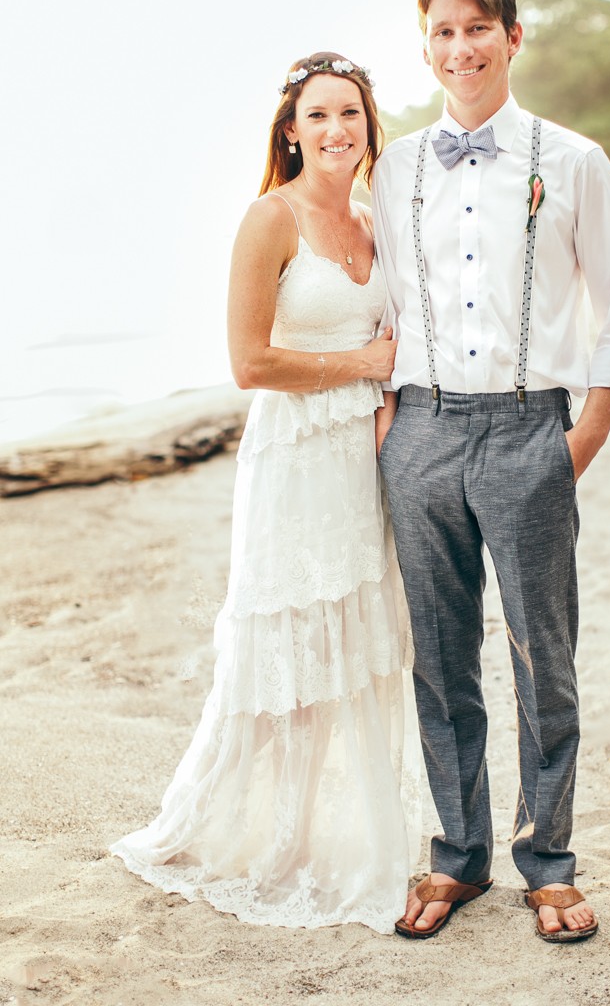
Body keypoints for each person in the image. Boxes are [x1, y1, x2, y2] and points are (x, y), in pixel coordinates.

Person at [372, 0, 610, 942]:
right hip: (420, 432)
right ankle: (457, 859)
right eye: (440, 34)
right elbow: (376, 304)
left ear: (511, 37)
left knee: (544, 656)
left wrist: (578, 439)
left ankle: (547, 862)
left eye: (475, 28)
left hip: (531, 428)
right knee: (439, 661)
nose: (459, 49)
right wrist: (385, 424)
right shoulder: (394, 167)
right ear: (426, 49)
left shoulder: (572, 159)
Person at [112, 52, 420, 933]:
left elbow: (398, 342)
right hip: (293, 466)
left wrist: (389, 398)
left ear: (369, 125)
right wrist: (362, 364)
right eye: (318, 116)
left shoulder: (370, 221)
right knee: (287, 644)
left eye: (350, 115)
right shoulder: (268, 219)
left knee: (354, 644)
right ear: (291, 129)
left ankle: (349, 837)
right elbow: (249, 363)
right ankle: (276, 839)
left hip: (365, 465)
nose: (336, 131)